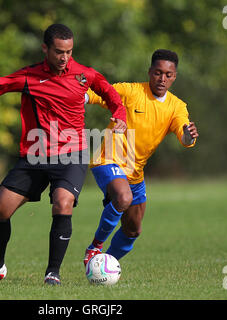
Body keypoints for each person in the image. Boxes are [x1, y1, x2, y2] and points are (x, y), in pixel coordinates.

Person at [0, 23, 127, 285]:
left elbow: (111, 95)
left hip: (72, 154)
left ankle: (53, 273)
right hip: (35, 156)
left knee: (62, 203)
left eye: (69, 52)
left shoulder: (84, 75)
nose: (65, 57)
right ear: (45, 49)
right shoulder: (29, 76)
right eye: (59, 51)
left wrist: (119, 115)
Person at [83, 49, 199, 266]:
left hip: (135, 173)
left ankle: (101, 267)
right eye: (157, 73)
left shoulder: (176, 106)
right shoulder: (131, 91)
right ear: (149, 72)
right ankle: (94, 248)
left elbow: (184, 136)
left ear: (174, 77)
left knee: (132, 230)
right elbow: (95, 94)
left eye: (168, 75)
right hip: (108, 160)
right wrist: (75, 96)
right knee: (123, 198)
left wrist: (188, 135)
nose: (162, 79)